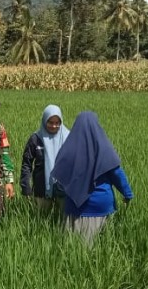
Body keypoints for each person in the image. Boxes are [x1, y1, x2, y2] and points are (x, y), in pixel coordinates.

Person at [51, 111, 133, 245]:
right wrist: (127, 194)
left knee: (72, 247)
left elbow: (60, 176)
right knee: (99, 247)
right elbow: (117, 174)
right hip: (100, 206)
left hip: (73, 207)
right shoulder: (104, 149)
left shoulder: (68, 149)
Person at [20, 105, 70, 210]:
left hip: (64, 189)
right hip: (41, 188)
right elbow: (26, 163)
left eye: (57, 123)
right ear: (44, 121)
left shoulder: (68, 137)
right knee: (42, 220)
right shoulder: (36, 138)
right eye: (50, 122)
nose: (54, 126)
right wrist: (25, 186)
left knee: (63, 221)